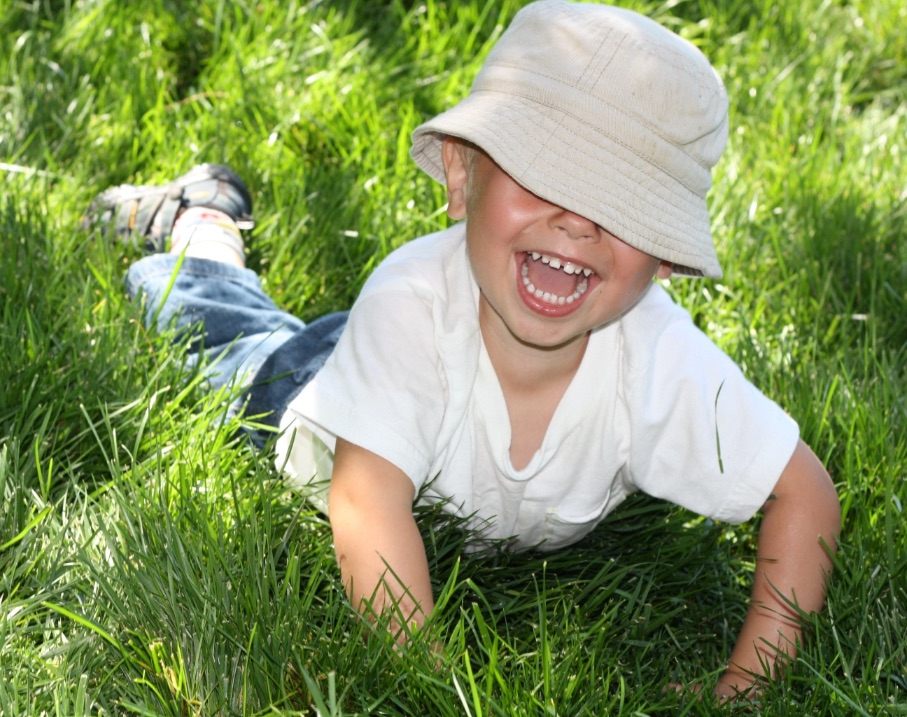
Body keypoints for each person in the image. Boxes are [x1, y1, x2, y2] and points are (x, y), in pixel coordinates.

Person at [85, 0, 840, 700]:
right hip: (307, 391)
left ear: (665, 256)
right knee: (219, 326)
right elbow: (364, 502)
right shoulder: (408, 306)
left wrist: (745, 689)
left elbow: (803, 495)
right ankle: (201, 225)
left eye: (624, 207)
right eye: (545, 175)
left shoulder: (660, 357)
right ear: (460, 174)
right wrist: (433, 683)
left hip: (412, 374)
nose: (577, 222)